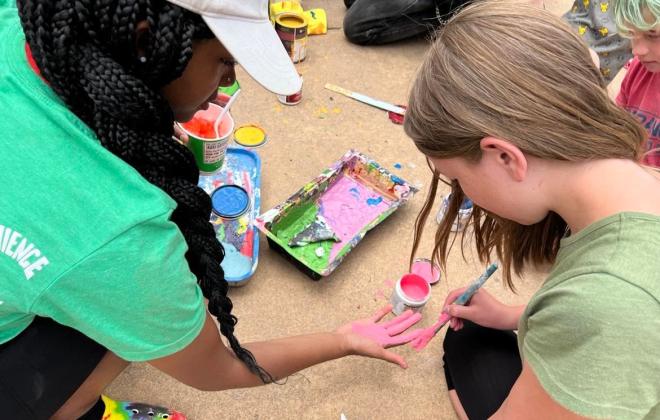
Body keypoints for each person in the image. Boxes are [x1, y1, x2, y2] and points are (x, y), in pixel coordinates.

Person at [0, 0, 421, 418]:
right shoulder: (120, 235)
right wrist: (343, 340)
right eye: (224, 61)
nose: (228, 84)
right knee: (159, 312)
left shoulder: (19, 21)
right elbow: (215, 370)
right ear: (145, 39)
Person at [403, 2, 660, 419]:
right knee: (470, 338)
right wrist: (511, 316)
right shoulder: (633, 185)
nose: (463, 193)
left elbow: (606, 318)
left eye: (457, 180)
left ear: (505, 156)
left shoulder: (606, 301)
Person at [614, 0, 660, 167]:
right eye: (632, 35)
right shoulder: (637, 69)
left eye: (652, 35)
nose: (637, 50)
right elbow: (618, 127)